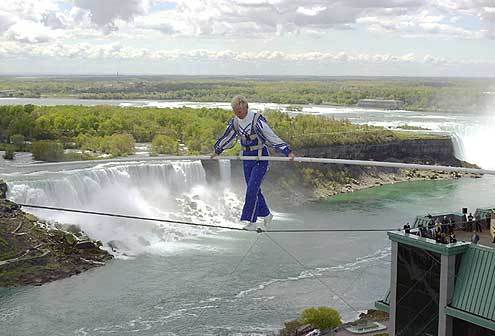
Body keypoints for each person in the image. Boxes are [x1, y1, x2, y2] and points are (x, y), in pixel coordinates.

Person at [212, 96, 295, 230]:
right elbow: (228, 137)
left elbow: (271, 136)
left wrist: (287, 151)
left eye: (239, 111)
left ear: (246, 107)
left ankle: (252, 221)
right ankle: (267, 215)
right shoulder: (235, 122)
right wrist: (217, 151)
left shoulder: (257, 120)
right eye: (235, 111)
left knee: (251, 189)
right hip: (246, 158)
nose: (237, 113)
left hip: (260, 157)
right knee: (254, 189)